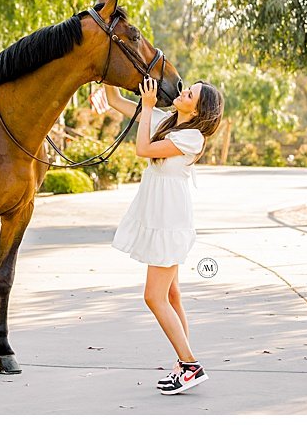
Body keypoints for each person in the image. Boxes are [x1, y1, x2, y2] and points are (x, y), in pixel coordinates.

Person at [99, 77, 225, 395]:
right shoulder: (166, 121)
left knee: (153, 297)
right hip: (160, 217)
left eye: (190, 93)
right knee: (172, 296)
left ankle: (191, 365)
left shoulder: (192, 137)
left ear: (200, 109)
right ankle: (184, 364)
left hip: (169, 222)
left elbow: (143, 149)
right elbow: (115, 101)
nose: (183, 92)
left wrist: (150, 106)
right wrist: (101, 78)